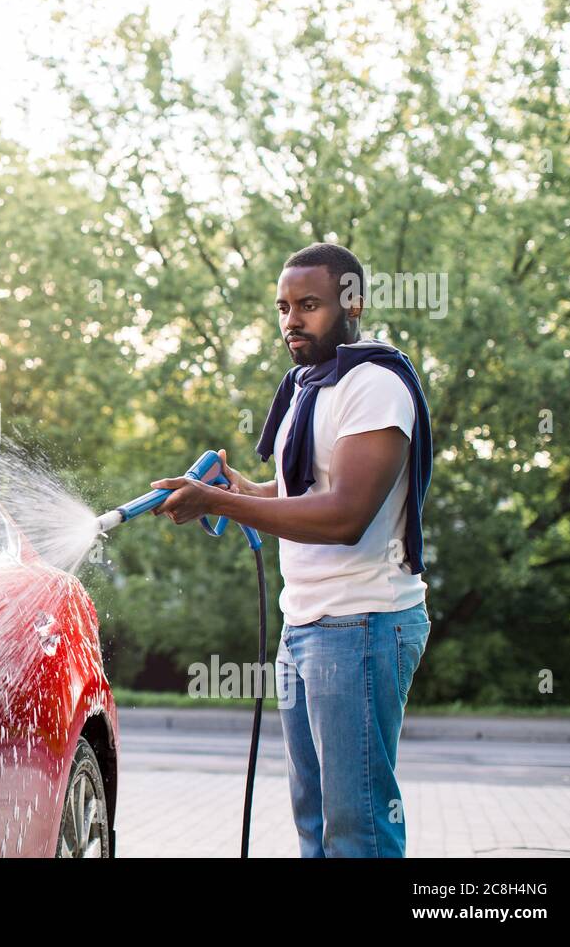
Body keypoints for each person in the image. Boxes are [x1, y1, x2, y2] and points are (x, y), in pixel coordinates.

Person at [151, 242, 434, 857]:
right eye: (283, 307)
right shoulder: (309, 386)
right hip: (305, 622)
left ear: (351, 303)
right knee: (314, 823)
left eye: (308, 305)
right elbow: (302, 488)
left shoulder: (375, 385)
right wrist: (243, 490)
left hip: (362, 622)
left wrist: (220, 504)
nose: (291, 321)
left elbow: (345, 515)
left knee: (356, 826)